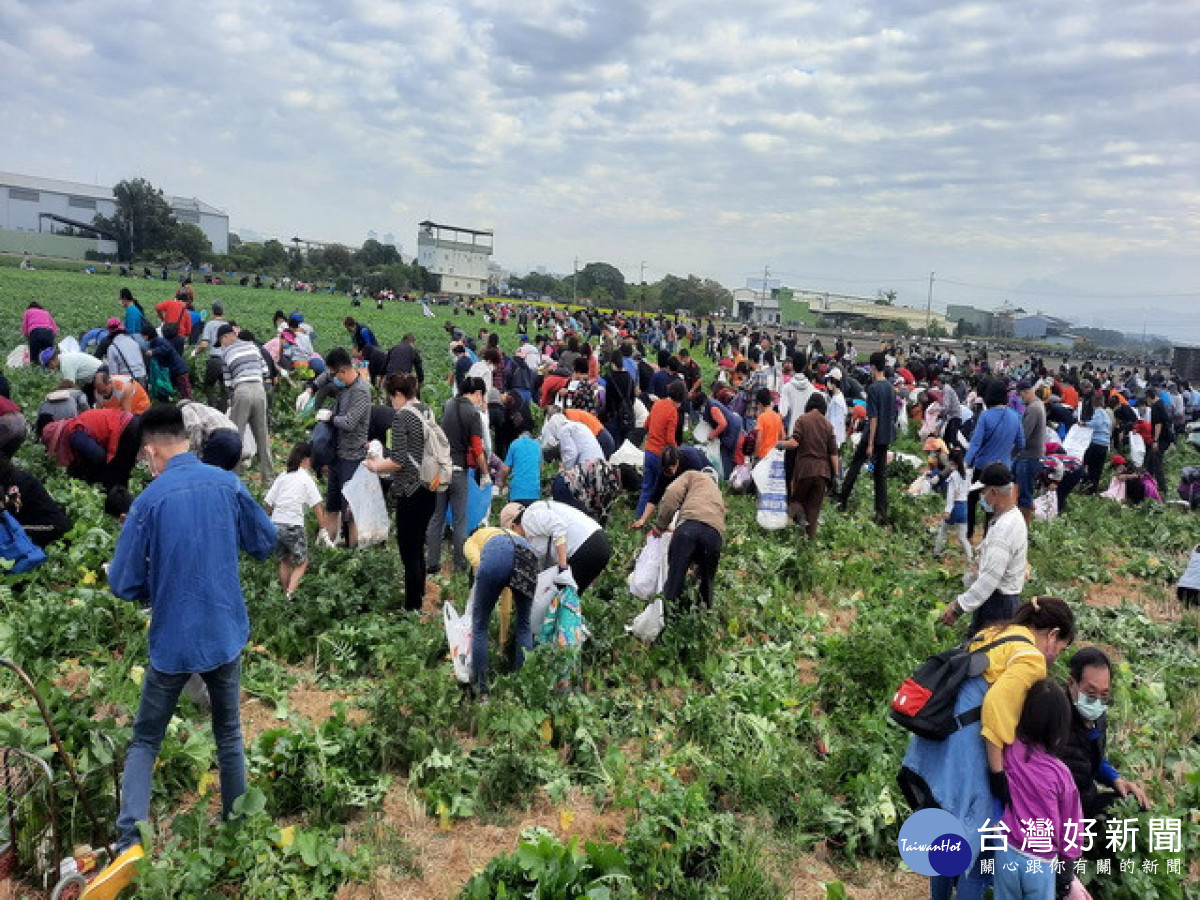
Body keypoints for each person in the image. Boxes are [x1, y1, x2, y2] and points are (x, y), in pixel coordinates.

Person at [105, 404, 276, 866]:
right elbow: (264, 543)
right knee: (229, 733)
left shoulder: (149, 501)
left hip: (173, 640)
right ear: (187, 439)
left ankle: (130, 842)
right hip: (223, 630)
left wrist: (152, 582)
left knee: (145, 740)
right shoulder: (227, 483)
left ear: (150, 452)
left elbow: (121, 583)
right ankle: (237, 831)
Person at [899, 597, 1076, 900]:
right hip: (965, 750)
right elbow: (995, 707)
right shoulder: (1030, 657)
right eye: (1061, 648)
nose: (1055, 657)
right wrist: (997, 774)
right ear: (1052, 634)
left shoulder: (998, 633)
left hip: (938, 741)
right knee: (981, 846)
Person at [994, 679, 1087, 900]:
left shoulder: (1010, 750)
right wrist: (1067, 867)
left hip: (1006, 847)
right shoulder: (1061, 775)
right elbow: (1072, 825)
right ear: (1060, 726)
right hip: (1040, 860)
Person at [365, 373, 438, 612]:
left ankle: (412, 606)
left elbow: (398, 461)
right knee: (418, 546)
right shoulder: (427, 411)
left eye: (391, 397)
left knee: (408, 549)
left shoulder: (402, 418)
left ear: (398, 395)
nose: (391, 403)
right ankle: (419, 596)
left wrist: (375, 466)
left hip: (410, 490)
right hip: (430, 487)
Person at [1060, 648, 1150, 818]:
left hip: (1085, 800)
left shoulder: (1097, 716)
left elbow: (1092, 757)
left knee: (1134, 804)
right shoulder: (1055, 717)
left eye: (1104, 694)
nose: (1097, 702)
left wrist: (1115, 779)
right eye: (1091, 693)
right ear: (1072, 684)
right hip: (1059, 810)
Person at [940, 463, 1027, 633]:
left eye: (983, 492)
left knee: (982, 653)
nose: (981, 498)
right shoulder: (1013, 517)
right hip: (1005, 602)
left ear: (994, 492)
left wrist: (958, 607)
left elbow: (990, 579)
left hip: (997, 605)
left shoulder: (1004, 530)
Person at [462, 524, 538, 698]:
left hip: (496, 557)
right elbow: (506, 602)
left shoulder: (470, 541)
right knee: (524, 625)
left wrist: (482, 585)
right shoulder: (501, 532)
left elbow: (478, 562)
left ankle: (482, 691)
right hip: (527, 554)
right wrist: (502, 642)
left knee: (480, 625)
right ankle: (523, 689)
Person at [427, 377, 491, 574]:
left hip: (440, 469)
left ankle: (432, 563)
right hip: (458, 472)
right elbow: (478, 449)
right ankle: (459, 565)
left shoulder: (448, 405)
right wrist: (486, 473)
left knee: (437, 516)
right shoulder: (473, 414)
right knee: (459, 519)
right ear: (478, 394)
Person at [310, 348, 371, 546]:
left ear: (344, 371)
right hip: (337, 455)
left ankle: (354, 553)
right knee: (332, 506)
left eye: (336, 374)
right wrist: (310, 388)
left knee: (350, 512)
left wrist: (330, 417)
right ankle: (327, 548)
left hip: (352, 458)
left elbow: (350, 422)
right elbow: (325, 376)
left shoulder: (361, 392)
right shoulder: (343, 385)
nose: (333, 379)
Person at [654, 469, 725, 618]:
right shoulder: (718, 493)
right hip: (714, 535)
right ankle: (703, 619)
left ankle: (666, 621)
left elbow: (671, 495)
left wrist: (660, 525)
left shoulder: (692, 475)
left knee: (674, 580)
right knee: (706, 582)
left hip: (688, 530)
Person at [501, 500, 612, 595]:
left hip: (587, 546)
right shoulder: (534, 526)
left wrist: (562, 566)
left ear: (513, 526)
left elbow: (558, 527)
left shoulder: (529, 518)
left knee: (563, 600)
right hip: (596, 544)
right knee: (569, 599)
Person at [837, 351, 896, 523]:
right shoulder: (890, 388)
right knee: (880, 474)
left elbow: (873, 418)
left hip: (873, 434)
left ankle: (842, 501)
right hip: (886, 436)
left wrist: (870, 442)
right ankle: (881, 513)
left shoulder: (874, 388)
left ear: (872, 367)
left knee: (855, 466)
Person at [264, 442, 325, 600]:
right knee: (302, 563)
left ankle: (285, 593)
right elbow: (317, 505)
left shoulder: (283, 476)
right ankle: (289, 595)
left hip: (276, 523)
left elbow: (269, 503)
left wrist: (265, 522)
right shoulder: (305, 478)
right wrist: (323, 528)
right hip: (293, 525)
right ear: (305, 460)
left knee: (285, 560)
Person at [963, 380, 1024, 538]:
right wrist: (1009, 456)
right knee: (994, 504)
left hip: (983, 467)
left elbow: (976, 443)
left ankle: (969, 532)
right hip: (1004, 469)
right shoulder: (1015, 417)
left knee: (972, 499)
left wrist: (966, 462)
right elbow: (1021, 443)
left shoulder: (985, 416)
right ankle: (987, 536)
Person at [777, 393, 839, 539]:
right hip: (822, 473)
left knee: (796, 501)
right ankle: (809, 541)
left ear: (809, 405)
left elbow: (795, 443)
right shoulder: (828, 425)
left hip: (805, 470)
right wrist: (835, 476)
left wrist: (780, 444)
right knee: (814, 509)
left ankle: (798, 525)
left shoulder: (802, 420)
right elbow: (834, 454)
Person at [218, 324, 273, 480]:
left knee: (236, 436)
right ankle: (268, 477)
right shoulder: (253, 347)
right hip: (259, 390)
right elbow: (265, 371)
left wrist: (232, 398)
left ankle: (233, 475)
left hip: (242, 391)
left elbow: (228, 383)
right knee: (262, 435)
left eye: (221, 341)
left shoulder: (226, 353)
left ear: (225, 337)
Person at [636, 381, 686, 517]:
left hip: (648, 451)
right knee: (662, 489)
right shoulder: (672, 411)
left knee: (646, 487)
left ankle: (639, 517)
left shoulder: (657, 403)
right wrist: (677, 453)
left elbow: (646, 424)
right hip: (661, 455)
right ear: (680, 399)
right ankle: (661, 518)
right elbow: (670, 439)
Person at [0, 453, 71, 547]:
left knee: (7, 530)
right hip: (30, 524)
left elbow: (10, 513)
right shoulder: (7, 481)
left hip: (51, 527)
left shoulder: (18, 481)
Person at [1014, 378, 1045, 524]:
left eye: (1020, 395)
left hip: (1029, 456)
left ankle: (1024, 527)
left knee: (1025, 494)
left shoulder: (1033, 409)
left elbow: (1023, 436)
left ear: (1026, 392)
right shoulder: (1038, 404)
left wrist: (1012, 450)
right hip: (1029, 455)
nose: (1020, 399)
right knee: (1020, 489)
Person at [933, 446, 973, 562]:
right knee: (962, 537)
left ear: (951, 462)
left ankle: (936, 552)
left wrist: (947, 510)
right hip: (964, 506)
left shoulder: (953, 477)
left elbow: (951, 496)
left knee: (943, 530)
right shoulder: (968, 474)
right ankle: (970, 558)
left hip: (955, 506)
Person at [177, 399, 242, 470]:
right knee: (224, 474)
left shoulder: (186, 408)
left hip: (221, 438)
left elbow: (195, 426)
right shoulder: (207, 409)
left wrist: (194, 452)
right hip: (237, 440)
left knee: (206, 471)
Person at [197, 303, 229, 409]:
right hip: (227, 361)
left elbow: (204, 344)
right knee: (225, 388)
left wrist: (196, 352)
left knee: (208, 386)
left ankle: (212, 406)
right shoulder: (228, 326)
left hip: (215, 360)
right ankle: (223, 411)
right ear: (223, 312)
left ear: (212, 312)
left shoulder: (210, 324)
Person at [601, 350, 637, 448]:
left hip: (615, 417)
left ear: (612, 363)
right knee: (625, 446)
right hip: (628, 416)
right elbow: (633, 399)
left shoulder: (611, 379)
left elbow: (608, 402)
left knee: (616, 446)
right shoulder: (630, 378)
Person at [499, 427, 543, 505]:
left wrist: (502, 482)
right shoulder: (537, 446)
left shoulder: (515, 444)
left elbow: (505, 469)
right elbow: (540, 467)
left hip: (517, 493)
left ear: (519, 436)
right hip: (534, 493)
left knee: (517, 516)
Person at [105, 318, 148, 386]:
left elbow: (114, 372)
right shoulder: (133, 341)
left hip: (127, 381)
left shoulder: (112, 348)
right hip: (142, 376)